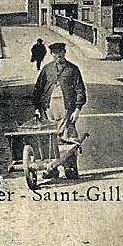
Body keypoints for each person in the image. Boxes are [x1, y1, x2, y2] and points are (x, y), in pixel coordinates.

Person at [32, 42, 87, 178]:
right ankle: (52, 169)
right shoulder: (47, 69)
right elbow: (38, 89)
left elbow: (80, 90)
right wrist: (37, 108)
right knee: (50, 138)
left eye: (61, 52)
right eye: (55, 53)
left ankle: (70, 168)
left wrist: (77, 109)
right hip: (48, 107)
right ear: (51, 54)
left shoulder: (73, 69)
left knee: (69, 138)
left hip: (67, 108)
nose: (58, 55)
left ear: (64, 53)